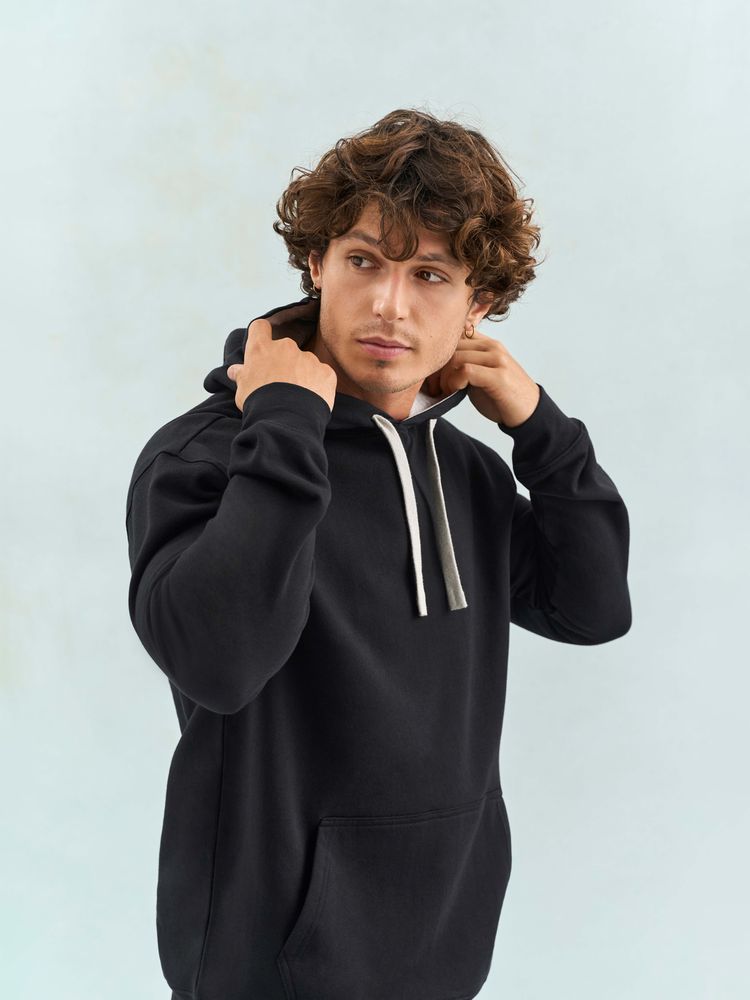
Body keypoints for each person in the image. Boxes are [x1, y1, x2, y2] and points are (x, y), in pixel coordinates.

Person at [125, 107, 632, 1000]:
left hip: (444, 940)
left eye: (430, 274)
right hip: (268, 959)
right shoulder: (206, 457)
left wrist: (543, 432)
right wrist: (287, 424)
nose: (390, 305)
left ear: (478, 305)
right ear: (316, 265)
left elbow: (591, 609)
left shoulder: (466, 472)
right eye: (364, 261)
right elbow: (219, 663)